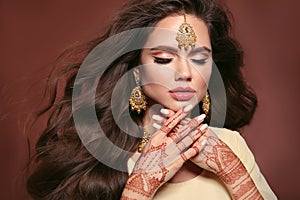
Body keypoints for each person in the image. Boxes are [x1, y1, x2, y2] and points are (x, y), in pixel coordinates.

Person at [25, 0, 277, 199]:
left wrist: (231, 171)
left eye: (200, 60)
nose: (186, 73)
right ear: (136, 71)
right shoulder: (103, 157)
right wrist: (141, 184)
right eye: (164, 59)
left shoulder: (230, 145)